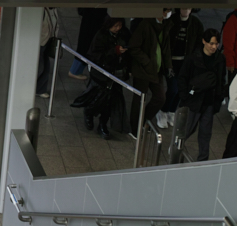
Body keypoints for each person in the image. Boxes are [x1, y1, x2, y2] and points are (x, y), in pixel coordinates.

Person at [177, 28, 227, 161]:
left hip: (209, 102)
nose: (214, 47)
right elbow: (182, 78)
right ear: (204, 41)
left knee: (205, 133)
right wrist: (185, 96)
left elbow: (221, 79)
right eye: (211, 43)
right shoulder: (193, 58)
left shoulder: (220, 59)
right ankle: (175, 150)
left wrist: (218, 98)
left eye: (216, 44)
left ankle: (203, 159)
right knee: (186, 130)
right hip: (193, 101)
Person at [127, 9, 172, 139]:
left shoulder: (166, 26)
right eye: (165, 11)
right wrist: (146, 61)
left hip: (156, 70)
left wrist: (168, 66)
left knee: (160, 98)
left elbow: (166, 48)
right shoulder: (145, 25)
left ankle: (143, 120)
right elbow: (134, 47)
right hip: (143, 70)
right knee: (139, 100)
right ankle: (135, 127)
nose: (167, 13)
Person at [159, 8, 205, 128]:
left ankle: (172, 111)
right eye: (183, 7)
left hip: (185, 63)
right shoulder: (171, 21)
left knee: (181, 89)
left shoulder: (195, 23)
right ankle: (163, 111)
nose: (185, 10)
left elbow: (199, 44)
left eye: (188, 8)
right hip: (171, 61)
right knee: (173, 88)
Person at [84, 17, 129, 139]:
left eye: (119, 26)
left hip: (115, 74)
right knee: (99, 98)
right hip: (102, 74)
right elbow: (96, 55)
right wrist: (114, 51)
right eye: (115, 26)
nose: (117, 29)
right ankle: (89, 112)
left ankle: (103, 124)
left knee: (110, 102)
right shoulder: (101, 36)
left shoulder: (123, 34)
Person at [70, 8, 109, 79]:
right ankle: (75, 71)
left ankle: (75, 70)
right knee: (86, 46)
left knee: (85, 45)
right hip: (93, 19)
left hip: (91, 17)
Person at [35, 7, 61, 97]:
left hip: (47, 40)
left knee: (46, 66)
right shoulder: (41, 10)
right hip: (40, 41)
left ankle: (40, 89)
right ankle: (33, 87)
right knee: (39, 66)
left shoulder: (53, 9)